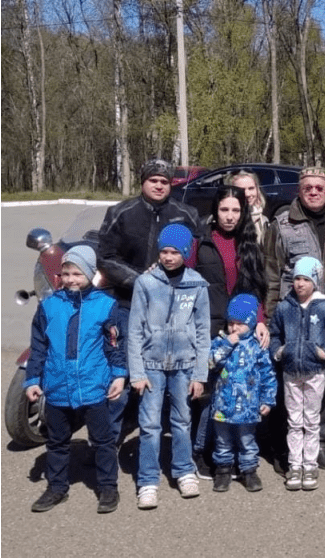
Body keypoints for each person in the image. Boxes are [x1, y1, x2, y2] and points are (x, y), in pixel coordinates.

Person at [98, 158, 201, 441]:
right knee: (124, 372)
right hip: (128, 305)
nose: (158, 185)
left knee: (172, 374)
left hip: (173, 310)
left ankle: (171, 439)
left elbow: (198, 258)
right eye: (153, 180)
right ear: (142, 182)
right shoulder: (121, 212)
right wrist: (140, 281)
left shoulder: (187, 214)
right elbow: (106, 257)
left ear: (171, 185)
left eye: (164, 181)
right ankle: (108, 442)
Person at [265, 166, 325, 472]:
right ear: (299, 191)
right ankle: (285, 450)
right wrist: (270, 317)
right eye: (308, 188)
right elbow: (272, 274)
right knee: (290, 384)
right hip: (293, 316)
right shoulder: (282, 224)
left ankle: (321, 445)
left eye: (320, 187)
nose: (314, 192)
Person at [24, 246, 126, 514]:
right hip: (57, 387)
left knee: (103, 441)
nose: (70, 279)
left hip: (93, 387)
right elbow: (38, 347)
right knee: (57, 442)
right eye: (66, 273)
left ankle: (107, 487)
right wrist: (33, 379)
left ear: (90, 274)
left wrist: (119, 376)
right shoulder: (49, 306)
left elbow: (114, 345)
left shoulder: (105, 306)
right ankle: (56, 487)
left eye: (77, 273)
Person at [128, 224, 211, 510]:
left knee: (182, 420)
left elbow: (202, 331)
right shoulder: (146, 283)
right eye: (164, 251)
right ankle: (148, 480)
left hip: (184, 366)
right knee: (150, 425)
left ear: (186, 253)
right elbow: (135, 329)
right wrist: (136, 372)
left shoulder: (197, 284)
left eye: (175, 252)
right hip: (151, 366)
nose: (169, 257)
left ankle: (184, 471)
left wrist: (200, 374)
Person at [193, 185, 269, 478]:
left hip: (243, 329)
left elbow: (254, 286)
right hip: (212, 327)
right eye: (224, 209)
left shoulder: (249, 242)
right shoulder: (202, 242)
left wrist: (259, 320)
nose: (229, 216)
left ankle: (241, 454)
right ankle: (201, 451)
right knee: (210, 395)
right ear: (215, 210)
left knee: (240, 391)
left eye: (236, 210)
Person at [269, 256, 325, 491]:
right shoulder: (284, 307)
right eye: (296, 279)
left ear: (315, 281)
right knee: (294, 421)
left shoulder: (324, 307)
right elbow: (274, 334)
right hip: (291, 371)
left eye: (305, 279)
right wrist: (279, 351)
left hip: (315, 372)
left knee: (311, 421)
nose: (300, 284)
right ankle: (295, 464)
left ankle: (310, 464)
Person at [207, 294, 276, 493]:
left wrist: (268, 399)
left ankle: (249, 470)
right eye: (231, 323)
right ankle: (223, 470)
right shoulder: (220, 341)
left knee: (247, 440)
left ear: (251, 323)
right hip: (222, 405)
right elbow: (210, 362)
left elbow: (267, 374)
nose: (234, 328)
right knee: (222, 441)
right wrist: (227, 344)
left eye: (239, 324)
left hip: (248, 405)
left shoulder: (257, 346)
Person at [231, 171, 270, 243]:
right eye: (241, 190)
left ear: (257, 190)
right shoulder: (227, 221)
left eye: (251, 188)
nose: (247, 194)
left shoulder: (263, 220)